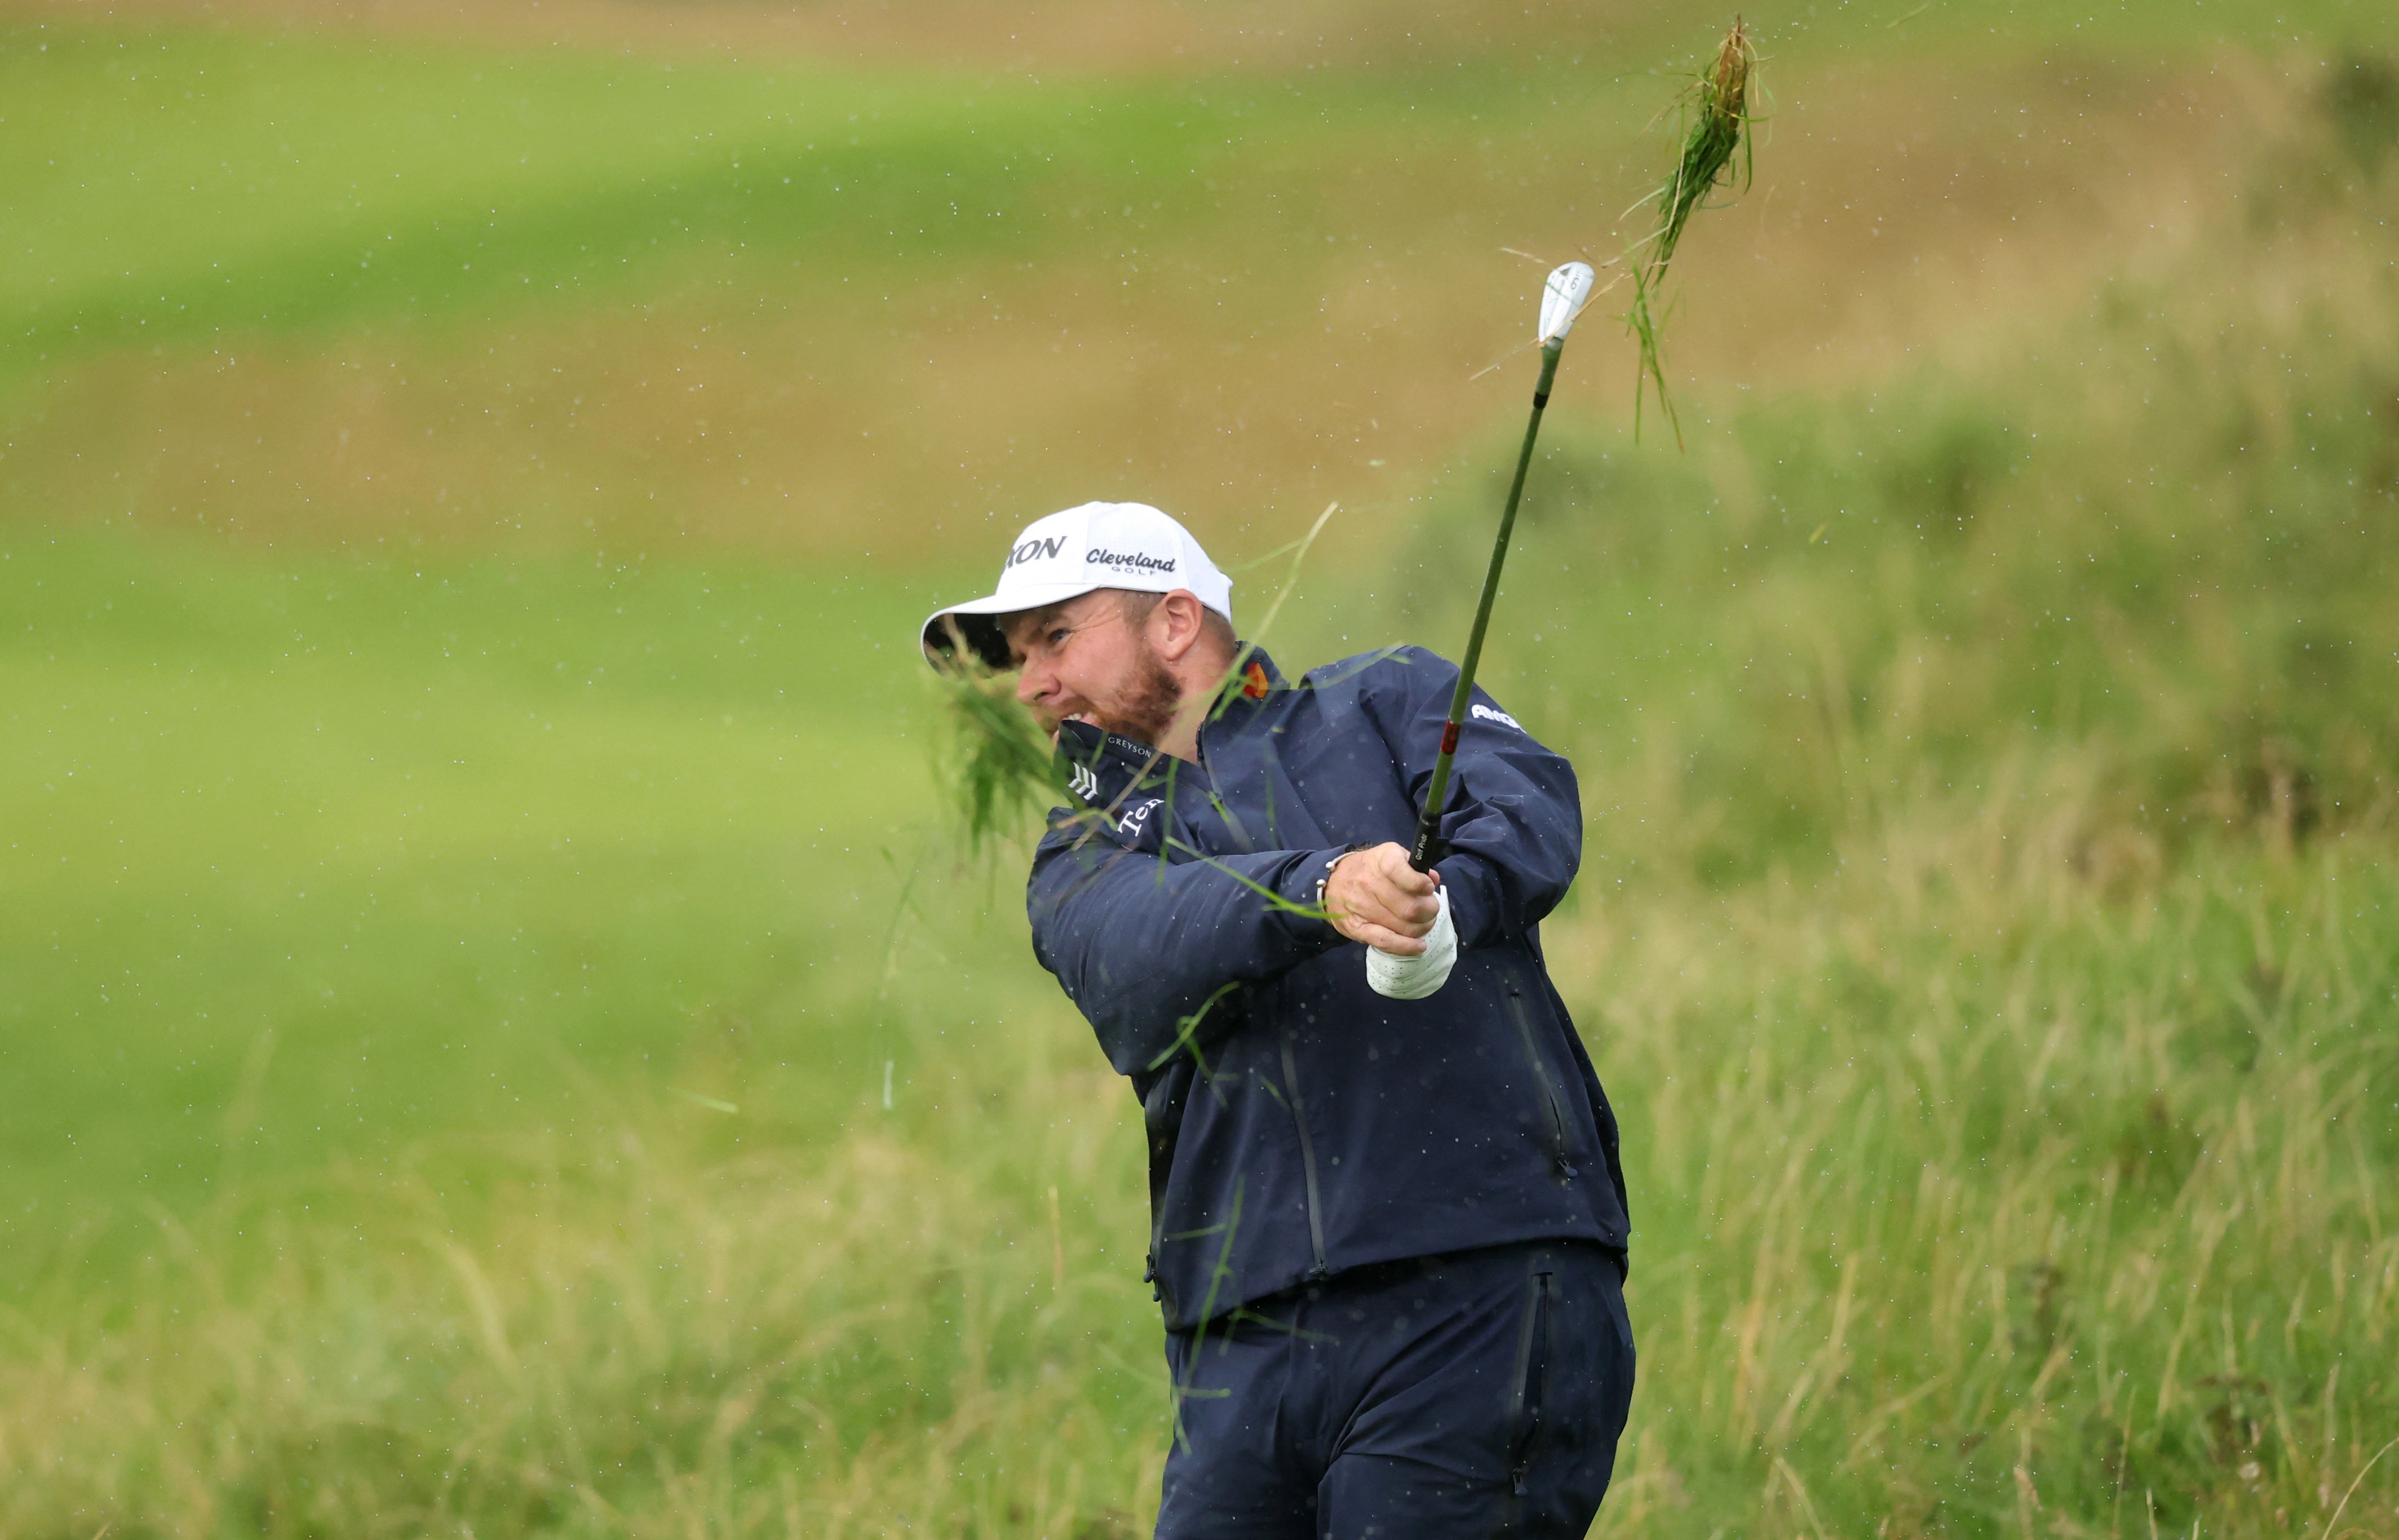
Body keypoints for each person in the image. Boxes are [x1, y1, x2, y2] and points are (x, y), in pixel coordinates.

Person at [921, 500, 1634, 1539]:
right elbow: (1145, 947)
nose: (1031, 686)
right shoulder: (1080, 858)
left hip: (1480, 1278)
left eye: (1058, 639)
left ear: (1174, 622)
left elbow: (1528, 804)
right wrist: (1324, 889)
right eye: (1021, 657)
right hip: (1239, 1350)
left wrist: (1448, 910)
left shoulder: (1384, 701)